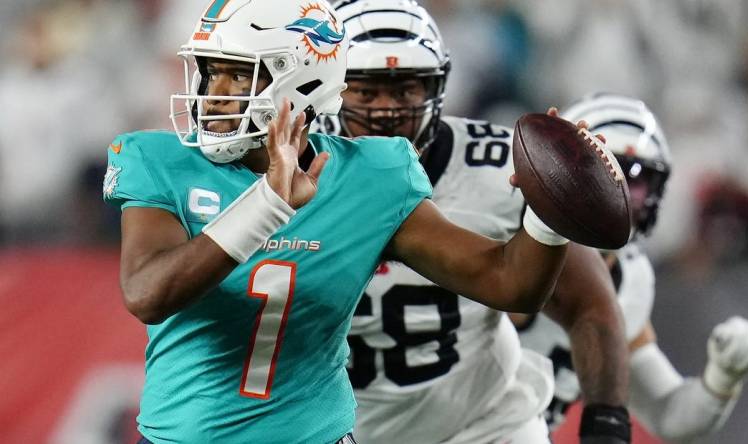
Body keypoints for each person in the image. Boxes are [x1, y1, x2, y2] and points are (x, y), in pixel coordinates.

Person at [102, 1, 616, 443]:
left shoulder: (371, 176)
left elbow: (509, 283)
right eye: (211, 71)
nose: (215, 92)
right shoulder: (160, 160)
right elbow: (148, 293)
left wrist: (548, 213)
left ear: (301, 78)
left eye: (239, 73)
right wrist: (266, 205)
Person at [311, 1, 632, 443]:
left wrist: (607, 419)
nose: (386, 111)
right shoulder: (291, 180)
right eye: (365, 92)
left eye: (406, 90)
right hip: (344, 430)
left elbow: (588, 302)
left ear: (437, 88)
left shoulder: (502, 168)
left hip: (485, 423)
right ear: (328, 89)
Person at [516, 93, 748, 442]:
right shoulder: (506, 235)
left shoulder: (629, 278)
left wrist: (722, 379)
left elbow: (669, 416)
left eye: (635, 184)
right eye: (605, 174)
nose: (618, 197)